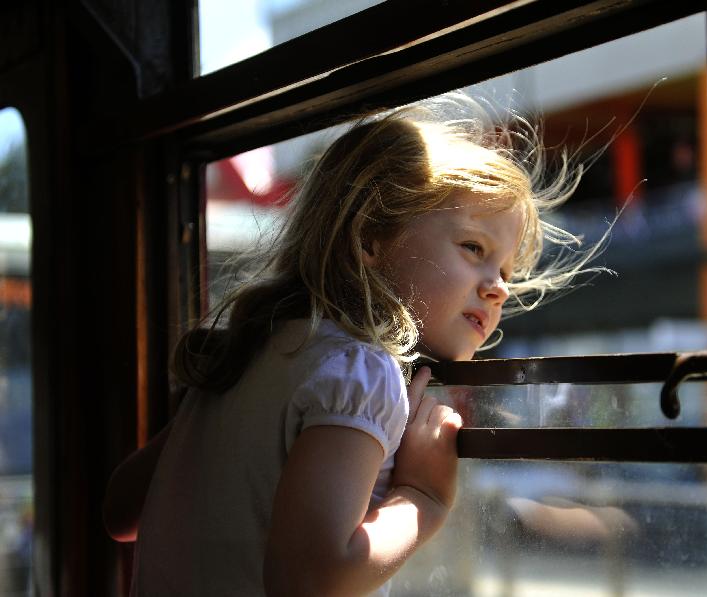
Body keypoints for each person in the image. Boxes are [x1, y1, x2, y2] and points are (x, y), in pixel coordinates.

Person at [102, 94, 610, 597]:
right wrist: (423, 496)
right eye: (474, 248)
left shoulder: (249, 351)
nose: (498, 286)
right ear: (369, 237)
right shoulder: (361, 370)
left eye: (505, 271)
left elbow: (120, 511)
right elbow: (310, 580)